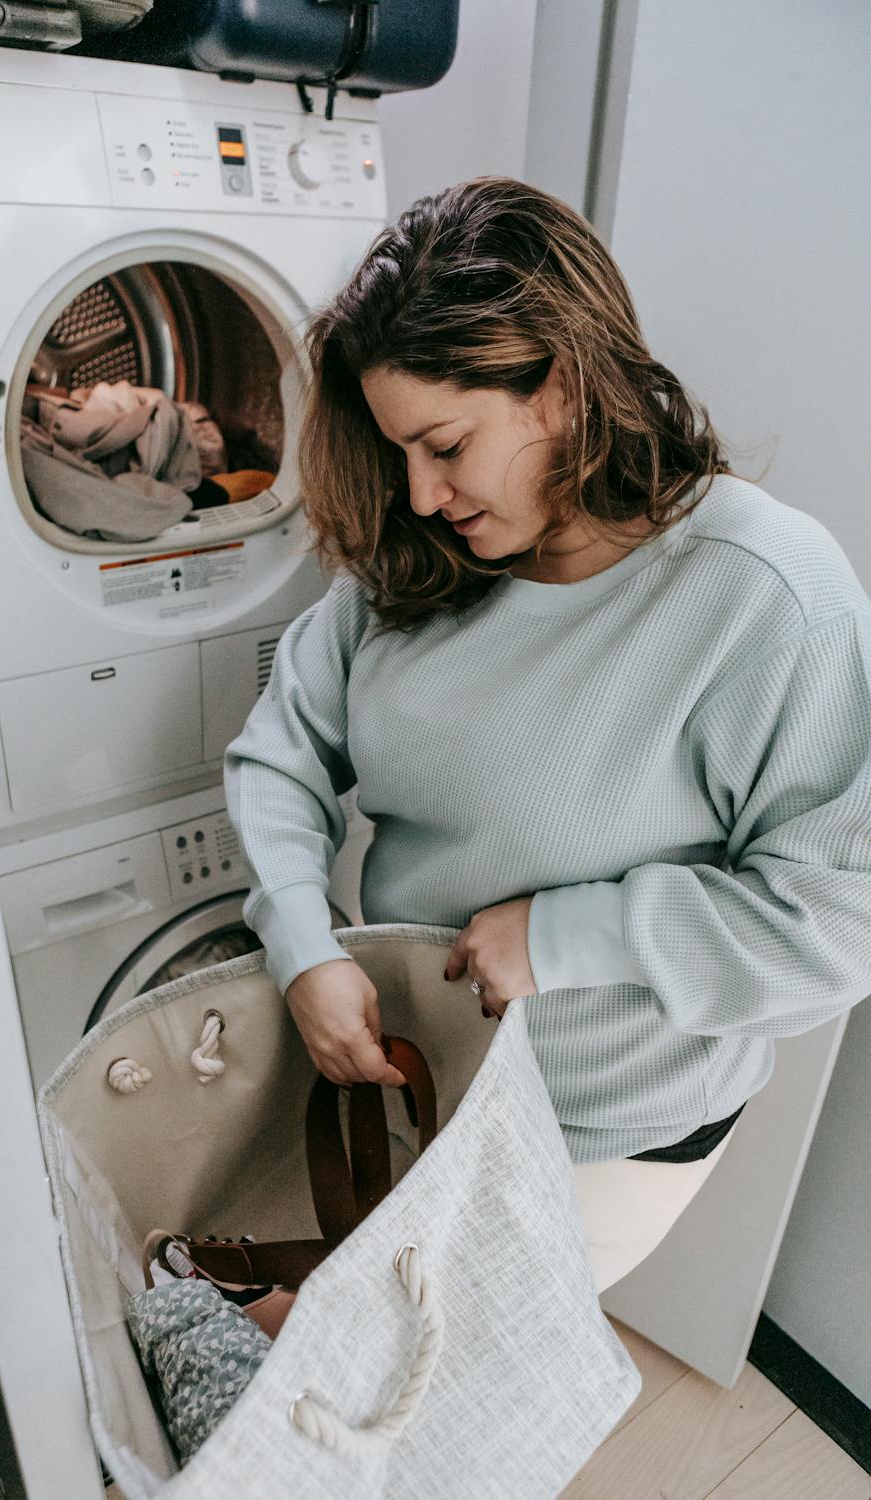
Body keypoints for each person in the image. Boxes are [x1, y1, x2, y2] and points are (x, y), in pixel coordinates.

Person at [224, 177, 871, 1282]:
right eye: (399, 455)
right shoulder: (416, 559)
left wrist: (570, 933)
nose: (420, 496)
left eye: (445, 446)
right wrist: (301, 941)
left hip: (604, 1130)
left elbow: (836, 927)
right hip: (423, 1081)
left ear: (562, 390)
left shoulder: (767, 599)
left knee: (417, 1404)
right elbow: (279, 756)